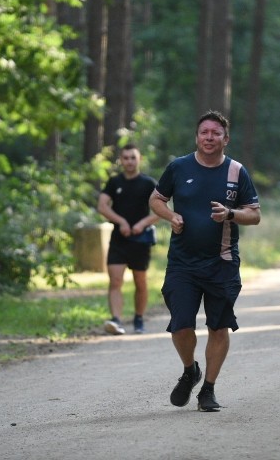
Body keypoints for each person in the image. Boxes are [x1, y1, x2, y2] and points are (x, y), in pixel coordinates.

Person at [149, 110, 261, 412]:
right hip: (182, 263)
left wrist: (230, 214)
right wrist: (171, 215)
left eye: (215, 133)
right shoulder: (178, 167)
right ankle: (190, 371)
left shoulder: (237, 172)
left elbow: (255, 214)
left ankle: (208, 389)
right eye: (204, 132)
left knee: (218, 326)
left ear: (226, 138)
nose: (209, 137)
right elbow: (156, 199)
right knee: (180, 325)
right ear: (197, 136)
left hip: (221, 262)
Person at [97, 143, 159, 335]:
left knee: (140, 281)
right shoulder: (114, 182)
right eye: (125, 158)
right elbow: (102, 206)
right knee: (115, 281)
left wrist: (142, 224)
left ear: (139, 159)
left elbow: (161, 210)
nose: (129, 161)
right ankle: (116, 320)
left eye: (133, 157)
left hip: (141, 240)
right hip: (119, 239)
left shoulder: (149, 183)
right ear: (121, 160)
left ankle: (138, 318)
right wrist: (121, 221)